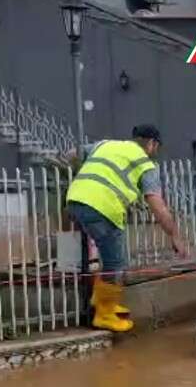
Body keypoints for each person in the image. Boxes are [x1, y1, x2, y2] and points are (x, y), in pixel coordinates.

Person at [65, 124, 187, 333]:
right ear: (151, 144)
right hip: (103, 208)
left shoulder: (105, 145)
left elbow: (71, 154)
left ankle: (101, 300)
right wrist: (175, 236)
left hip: (75, 199)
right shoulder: (145, 164)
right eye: (156, 147)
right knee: (116, 263)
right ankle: (104, 313)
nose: (155, 152)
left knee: (110, 258)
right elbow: (157, 205)